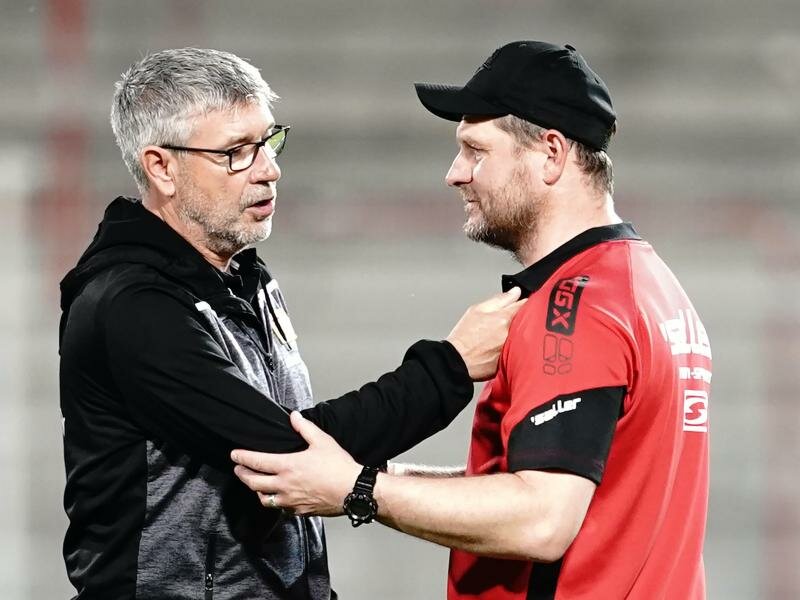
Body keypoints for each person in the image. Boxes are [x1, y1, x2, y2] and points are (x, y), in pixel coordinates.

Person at [232, 41, 713, 599]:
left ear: (551, 154)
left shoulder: (574, 307)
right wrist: (378, 479)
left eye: (476, 150)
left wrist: (357, 490)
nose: (455, 174)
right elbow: (575, 489)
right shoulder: (651, 285)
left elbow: (541, 520)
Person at [58, 47, 525, 600]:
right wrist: (448, 367)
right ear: (162, 167)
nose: (269, 169)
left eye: (267, 141)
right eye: (236, 152)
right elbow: (287, 456)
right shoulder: (130, 305)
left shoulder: (243, 277)